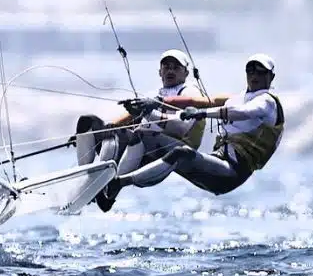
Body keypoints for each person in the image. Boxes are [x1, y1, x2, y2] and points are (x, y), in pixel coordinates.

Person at [115, 53, 285, 196]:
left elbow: (244, 113)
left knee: (181, 153)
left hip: (230, 173)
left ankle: (119, 183)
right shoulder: (236, 98)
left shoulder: (267, 101)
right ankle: (109, 189)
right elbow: (195, 101)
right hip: (215, 163)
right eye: (251, 71)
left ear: (271, 77)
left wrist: (202, 113)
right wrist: (158, 102)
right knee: (143, 134)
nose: (255, 76)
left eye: (261, 72)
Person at [73, 49, 207, 211]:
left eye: (176, 67)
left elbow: (180, 128)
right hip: (139, 145)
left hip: (169, 149)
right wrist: (92, 135)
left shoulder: (189, 92)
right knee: (87, 121)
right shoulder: (154, 94)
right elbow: (124, 121)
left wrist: (148, 111)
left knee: (139, 134)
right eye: (166, 67)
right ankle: (87, 179)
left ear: (186, 73)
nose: (170, 70)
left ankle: (110, 190)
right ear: (160, 72)